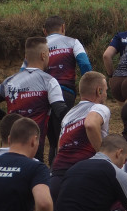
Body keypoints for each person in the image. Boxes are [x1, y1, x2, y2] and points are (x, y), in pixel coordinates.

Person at [0, 37, 66, 163]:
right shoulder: (49, 81)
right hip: (33, 145)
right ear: (43, 55)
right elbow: (60, 111)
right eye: (48, 54)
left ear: (26, 57)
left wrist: (7, 117)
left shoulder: (9, 81)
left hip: (9, 143)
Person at [30, 16, 92, 161]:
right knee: (63, 137)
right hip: (65, 92)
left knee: (51, 141)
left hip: (41, 95)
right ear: (63, 27)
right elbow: (84, 64)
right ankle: (58, 174)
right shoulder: (72, 42)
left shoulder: (36, 47)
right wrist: (88, 87)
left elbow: (24, 72)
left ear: (44, 31)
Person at [49, 72, 111, 200]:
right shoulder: (99, 107)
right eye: (105, 90)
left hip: (58, 171)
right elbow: (90, 124)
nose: (106, 94)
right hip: (83, 171)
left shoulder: (69, 114)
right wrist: (103, 155)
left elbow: (60, 145)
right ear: (99, 91)